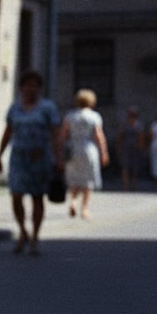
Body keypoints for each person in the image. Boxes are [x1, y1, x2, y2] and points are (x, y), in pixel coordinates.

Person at [0, 70, 62, 255]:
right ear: (21, 87)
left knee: (37, 197)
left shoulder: (47, 108)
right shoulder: (15, 108)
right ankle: (23, 232)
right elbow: (8, 132)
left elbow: (56, 134)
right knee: (16, 195)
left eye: (34, 85)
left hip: (40, 158)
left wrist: (59, 159)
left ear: (39, 88)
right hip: (18, 157)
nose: (30, 88)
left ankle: (34, 237)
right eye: (27, 85)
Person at [60, 88, 109, 219]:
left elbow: (63, 135)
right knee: (88, 180)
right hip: (88, 149)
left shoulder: (70, 116)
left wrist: (60, 150)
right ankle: (85, 208)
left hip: (73, 148)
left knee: (74, 177)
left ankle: (73, 202)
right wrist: (104, 152)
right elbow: (99, 135)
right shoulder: (94, 116)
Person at [115, 106, 144, 191]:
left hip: (135, 148)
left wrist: (141, 148)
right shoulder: (124, 125)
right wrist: (118, 148)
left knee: (135, 167)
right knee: (125, 167)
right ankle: (126, 185)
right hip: (125, 148)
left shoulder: (139, 124)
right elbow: (120, 137)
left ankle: (134, 185)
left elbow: (141, 137)